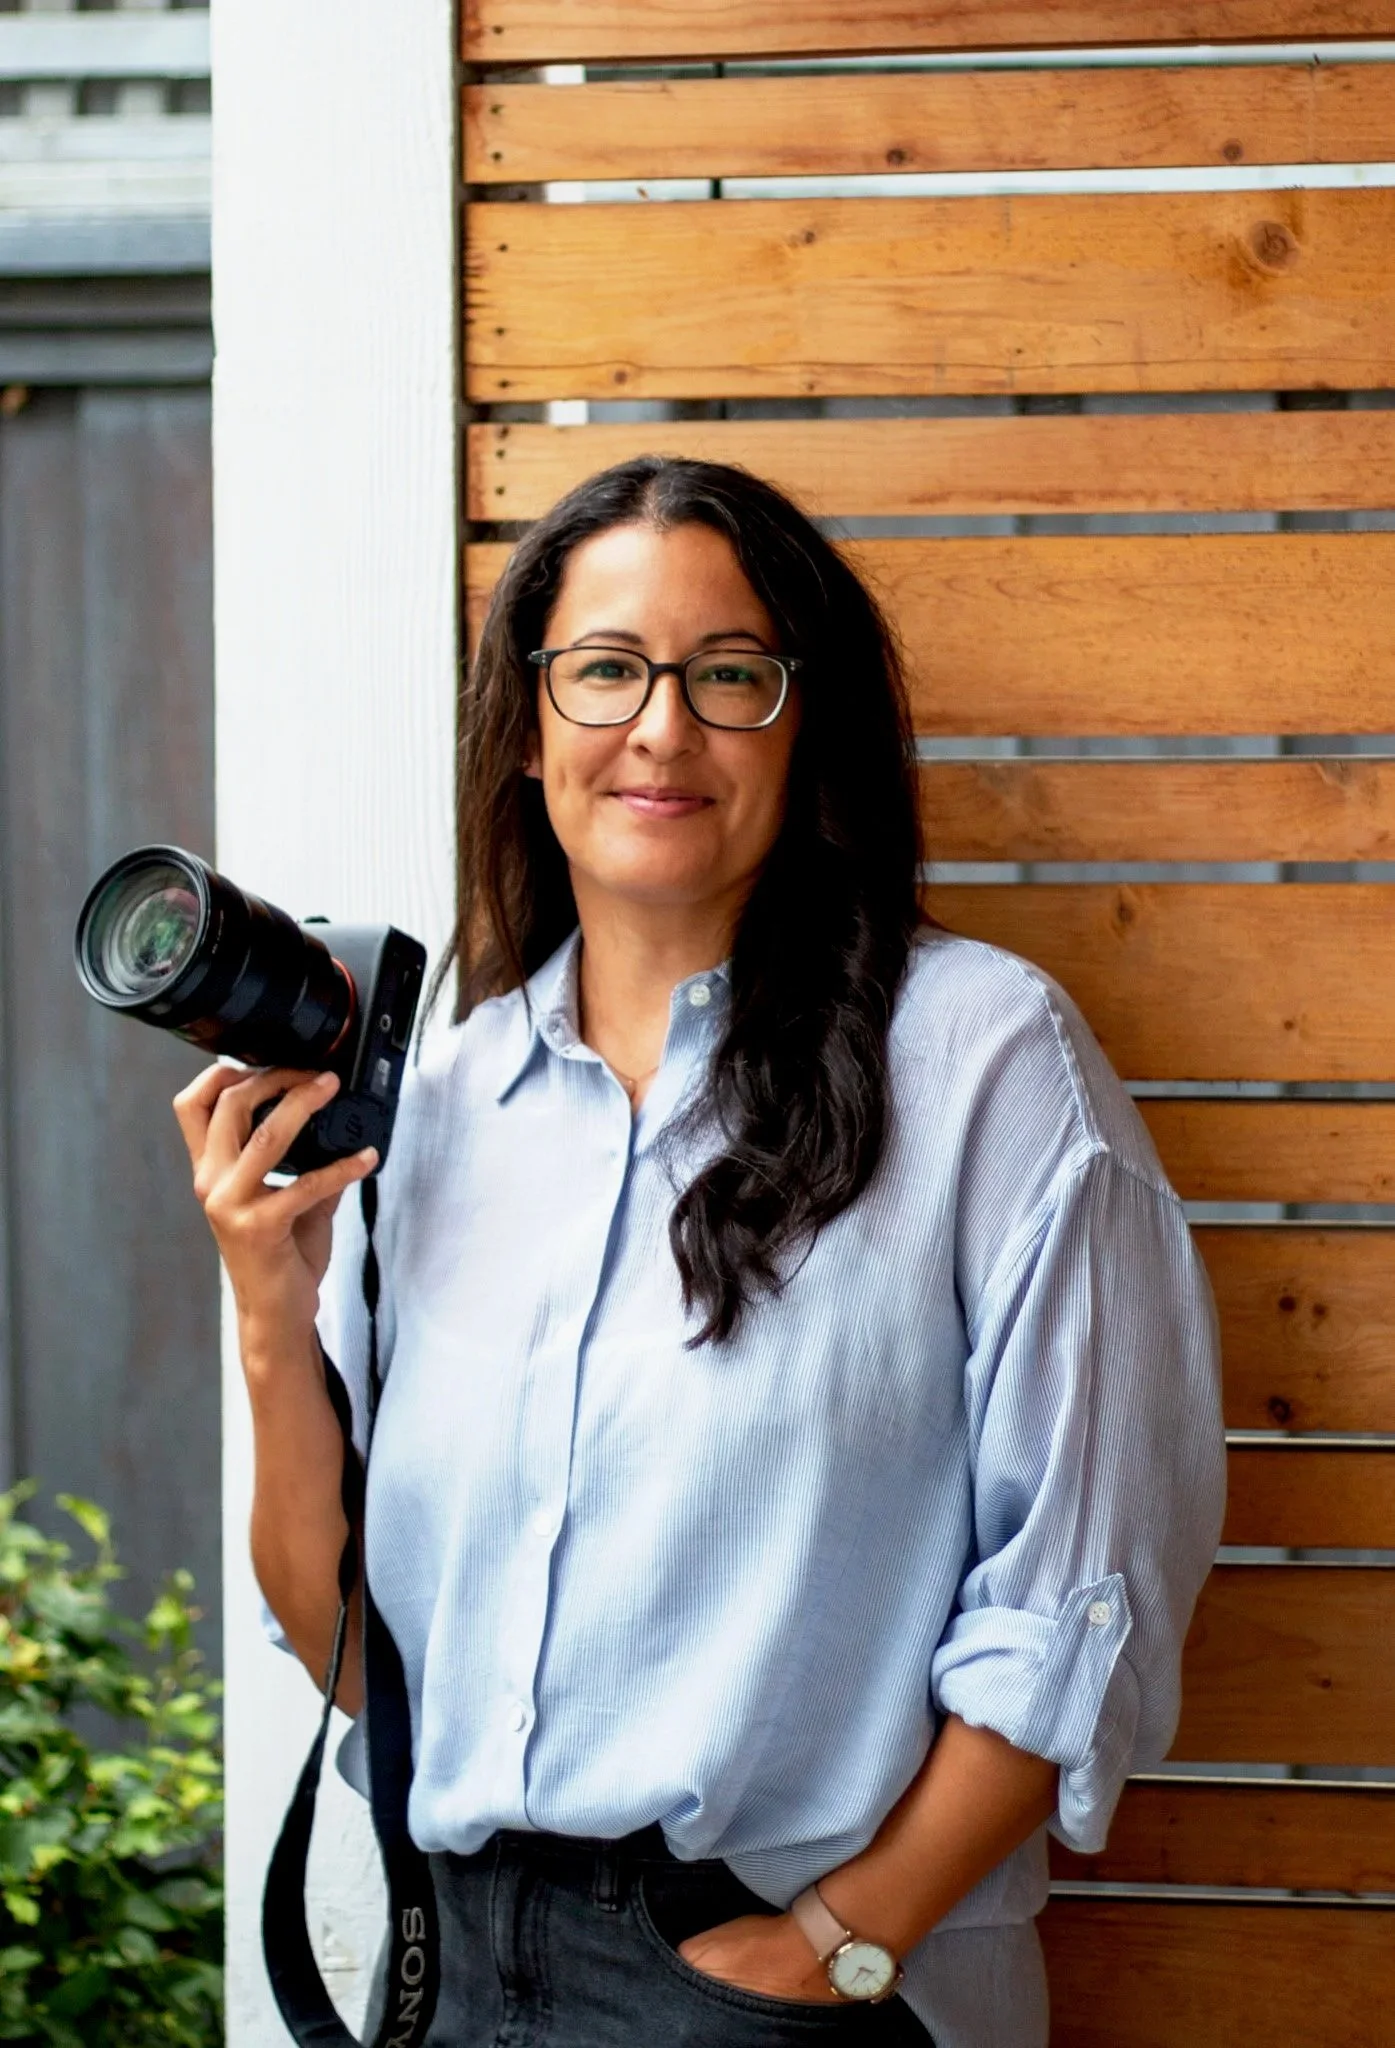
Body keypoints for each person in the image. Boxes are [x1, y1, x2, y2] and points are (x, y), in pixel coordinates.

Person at [175, 457, 1225, 2047]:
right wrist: (270, 1305)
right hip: (446, 1966)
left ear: (806, 732)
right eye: (603, 670)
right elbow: (352, 1655)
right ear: (527, 730)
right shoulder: (438, 1104)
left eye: (726, 674)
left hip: (772, 1974)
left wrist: (840, 1952)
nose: (659, 727)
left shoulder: (984, 1062)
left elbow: (1080, 1594)